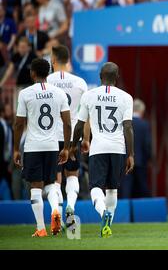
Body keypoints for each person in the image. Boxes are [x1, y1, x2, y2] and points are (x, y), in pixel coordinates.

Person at [70, 62, 134, 238]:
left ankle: (102, 212)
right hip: (118, 148)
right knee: (113, 189)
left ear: (100, 76)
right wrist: (131, 154)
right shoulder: (126, 97)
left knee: (96, 187)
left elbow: (79, 125)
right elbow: (128, 127)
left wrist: (72, 146)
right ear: (117, 77)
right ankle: (108, 227)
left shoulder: (89, 95)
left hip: (98, 148)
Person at [13, 58, 71, 237]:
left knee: (35, 187)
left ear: (32, 73)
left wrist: (16, 149)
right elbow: (67, 123)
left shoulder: (25, 93)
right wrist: (66, 148)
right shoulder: (59, 93)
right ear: (49, 73)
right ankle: (55, 209)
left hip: (33, 146)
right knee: (52, 183)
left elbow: (18, 124)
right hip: (52, 145)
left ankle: (41, 228)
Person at [47, 45, 88, 227]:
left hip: (51, 135)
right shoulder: (80, 82)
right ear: (68, 59)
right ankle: (70, 208)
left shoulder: (46, 81)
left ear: (53, 60)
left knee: (55, 178)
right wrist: (86, 139)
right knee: (72, 174)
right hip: (72, 136)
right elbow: (85, 116)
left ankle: (56, 211)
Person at [120, 98, 151, 198]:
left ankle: (124, 212)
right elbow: (147, 145)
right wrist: (147, 159)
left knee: (125, 189)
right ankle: (144, 211)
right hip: (140, 162)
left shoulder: (123, 124)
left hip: (125, 161)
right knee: (142, 189)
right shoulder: (144, 125)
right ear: (142, 111)